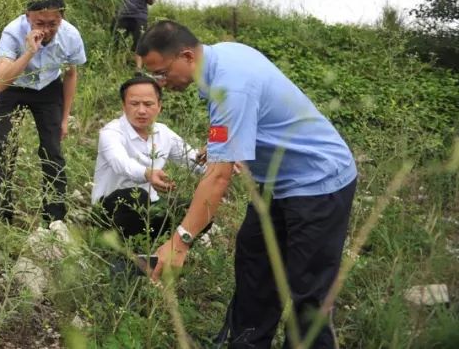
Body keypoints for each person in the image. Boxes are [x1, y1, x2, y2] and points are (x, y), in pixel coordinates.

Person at [139, 21, 357, 349]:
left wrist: (180, 242)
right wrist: (218, 147)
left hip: (319, 183)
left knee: (307, 291)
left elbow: (218, 177)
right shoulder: (222, 56)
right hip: (277, 184)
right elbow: (246, 120)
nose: (159, 83)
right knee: (255, 262)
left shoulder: (230, 86)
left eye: (160, 73)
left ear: (185, 56)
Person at [0, 0, 86, 223]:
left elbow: (71, 74)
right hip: (13, 86)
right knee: (6, 147)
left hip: (48, 88)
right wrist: (30, 52)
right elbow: (0, 83)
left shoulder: (71, 36)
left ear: (61, 18)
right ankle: (2, 212)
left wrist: (64, 118)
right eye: (39, 23)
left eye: (52, 24)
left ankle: (54, 217)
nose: (46, 30)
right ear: (27, 17)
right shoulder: (13, 32)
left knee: (52, 151)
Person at [92, 75, 205, 240]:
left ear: (159, 106)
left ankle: (167, 250)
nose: (141, 110)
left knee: (199, 209)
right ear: (124, 106)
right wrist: (147, 173)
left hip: (150, 208)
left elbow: (193, 161)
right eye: (134, 104)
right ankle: (124, 250)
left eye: (148, 104)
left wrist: (220, 161)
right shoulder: (111, 132)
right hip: (111, 208)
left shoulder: (163, 133)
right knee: (136, 196)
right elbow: (120, 163)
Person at [112, 0, 155, 69]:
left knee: (140, 42)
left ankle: (138, 68)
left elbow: (151, 2)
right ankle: (114, 65)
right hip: (122, 15)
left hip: (139, 16)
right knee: (115, 40)